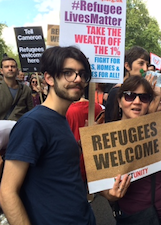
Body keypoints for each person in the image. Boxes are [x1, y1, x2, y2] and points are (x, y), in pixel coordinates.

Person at [0, 46, 96, 224]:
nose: (78, 79)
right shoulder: (32, 123)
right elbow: (7, 192)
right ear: (49, 78)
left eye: (82, 74)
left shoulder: (60, 118)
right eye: (68, 73)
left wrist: (81, 145)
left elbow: (55, 163)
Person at [101, 75, 161, 224]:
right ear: (119, 101)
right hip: (135, 217)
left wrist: (156, 97)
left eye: (144, 97)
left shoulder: (154, 128)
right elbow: (100, 184)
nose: (137, 101)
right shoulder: (108, 137)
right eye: (130, 96)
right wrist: (110, 195)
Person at [105, 46, 161, 123]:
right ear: (127, 66)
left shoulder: (149, 89)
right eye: (129, 96)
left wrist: (156, 101)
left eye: (144, 97)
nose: (145, 69)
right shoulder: (116, 91)